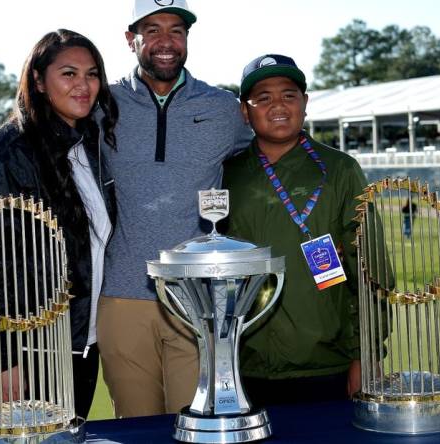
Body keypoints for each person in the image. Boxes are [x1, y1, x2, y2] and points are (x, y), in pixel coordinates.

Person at [97, 0, 252, 418]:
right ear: (131, 39)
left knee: (196, 423)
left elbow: (271, 148)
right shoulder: (102, 104)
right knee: (136, 426)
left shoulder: (223, 107)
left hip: (198, 297)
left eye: (177, 30)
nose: (166, 42)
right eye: (152, 29)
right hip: (121, 294)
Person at [0, 29, 118, 419]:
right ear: (39, 82)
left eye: (92, 74)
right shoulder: (3, 157)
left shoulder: (88, 145)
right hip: (21, 352)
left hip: (76, 344)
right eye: (69, 74)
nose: (83, 85)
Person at [222, 54, 365, 406]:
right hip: (243, 366)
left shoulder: (341, 170)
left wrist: (366, 356)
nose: (278, 106)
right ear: (245, 111)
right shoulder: (226, 173)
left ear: (305, 102)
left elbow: (370, 268)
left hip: (326, 365)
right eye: (263, 98)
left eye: (288, 95)